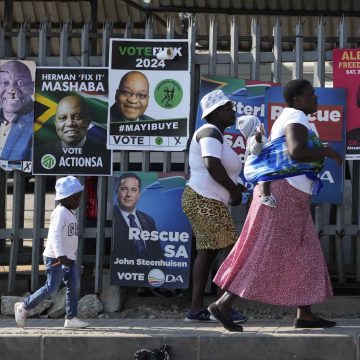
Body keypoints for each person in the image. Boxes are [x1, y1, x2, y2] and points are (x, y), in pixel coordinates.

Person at [208, 79, 343, 332]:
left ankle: (305, 313)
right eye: (311, 95)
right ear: (296, 100)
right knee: (266, 250)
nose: (316, 99)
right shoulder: (296, 117)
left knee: (305, 251)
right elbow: (296, 152)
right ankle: (224, 304)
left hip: (287, 193)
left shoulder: (293, 116)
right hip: (284, 194)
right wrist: (327, 151)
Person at [181, 89, 246, 327]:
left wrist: (235, 187)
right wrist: (235, 190)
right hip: (203, 199)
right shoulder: (209, 132)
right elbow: (211, 165)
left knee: (207, 252)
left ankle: (197, 309)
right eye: (228, 107)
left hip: (206, 199)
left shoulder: (216, 134)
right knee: (229, 250)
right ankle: (222, 306)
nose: (233, 111)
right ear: (216, 112)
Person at [14, 176, 89, 329]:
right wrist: (61, 255)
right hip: (56, 257)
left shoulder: (69, 211)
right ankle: (24, 307)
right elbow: (54, 234)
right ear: (66, 197)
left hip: (69, 258)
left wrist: (67, 256)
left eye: (79, 197)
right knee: (52, 287)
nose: (78, 201)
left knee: (74, 285)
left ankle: (71, 318)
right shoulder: (60, 212)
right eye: (76, 198)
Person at [112, 172, 163, 261]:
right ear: (117, 192)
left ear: (139, 195)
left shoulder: (148, 220)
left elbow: (157, 253)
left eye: (134, 190)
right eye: (124, 189)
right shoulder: (112, 217)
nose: (129, 194)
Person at [237, 115, 277, 207]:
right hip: (257, 168)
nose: (263, 127)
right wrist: (258, 142)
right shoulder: (257, 138)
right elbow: (256, 151)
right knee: (265, 177)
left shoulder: (251, 139)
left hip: (252, 168)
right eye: (261, 125)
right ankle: (265, 196)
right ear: (256, 128)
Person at [0, 60, 34, 161]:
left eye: (20, 83)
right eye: (5, 83)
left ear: (32, 87)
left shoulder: (38, 123)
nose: (12, 90)